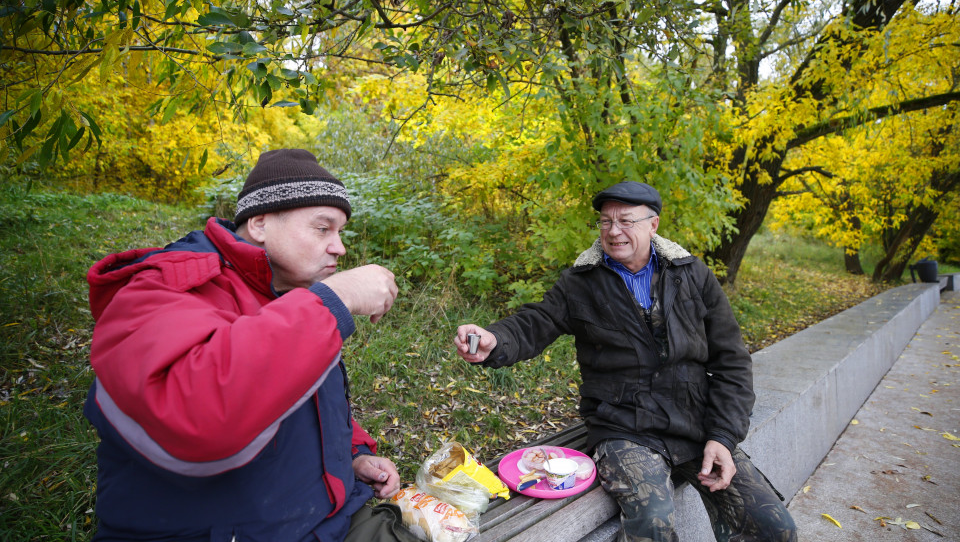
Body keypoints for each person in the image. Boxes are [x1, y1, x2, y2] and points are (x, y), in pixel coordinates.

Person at [83, 149, 418, 542]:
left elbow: (295, 395)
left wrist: (355, 452)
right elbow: (199, 416)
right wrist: (334, 299)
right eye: (323, 228)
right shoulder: (164, 287)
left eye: (340, 232)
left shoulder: (289, 291)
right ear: (259, 224)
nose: (339, 247)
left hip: (328, 521)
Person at [455, 181, 797, 542]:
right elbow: (537, 321)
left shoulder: (692, 275)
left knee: (773, 525)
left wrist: (723, 437)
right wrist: (494, 341)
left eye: (626, 221)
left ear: (653, 225)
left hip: (694, 423)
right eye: (605, 222)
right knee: (652, 525)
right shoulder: (581, 282)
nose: (614, 231)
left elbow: (732, 362)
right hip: (624, 427)